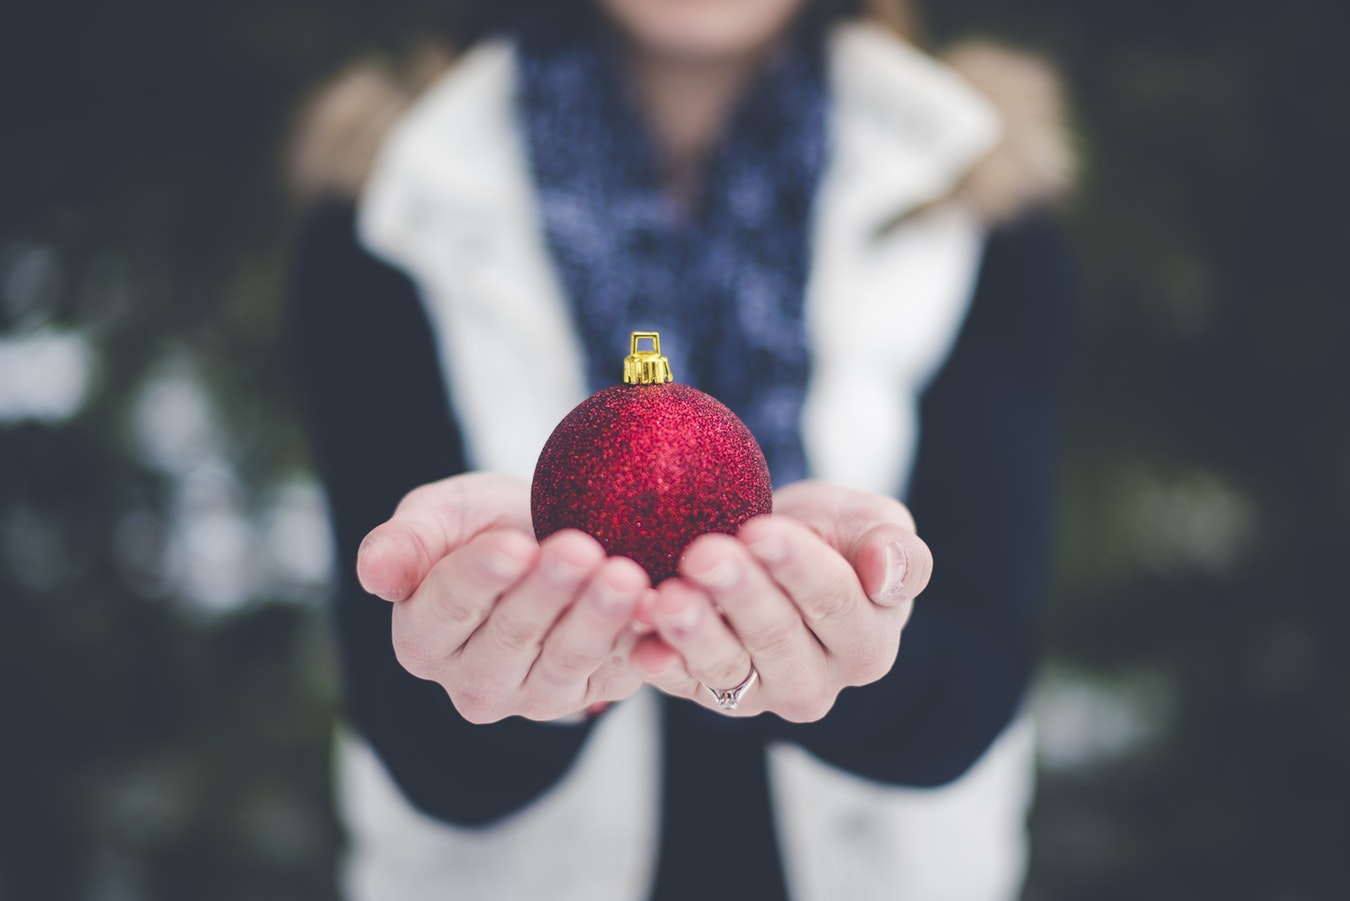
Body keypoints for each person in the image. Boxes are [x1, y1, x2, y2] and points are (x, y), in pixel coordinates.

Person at [286, 0, 1076, 898]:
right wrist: (527, 664)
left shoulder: (976, 184)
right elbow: (417, 738)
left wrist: (851, 651)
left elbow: (981, 665)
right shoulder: (393, 196)